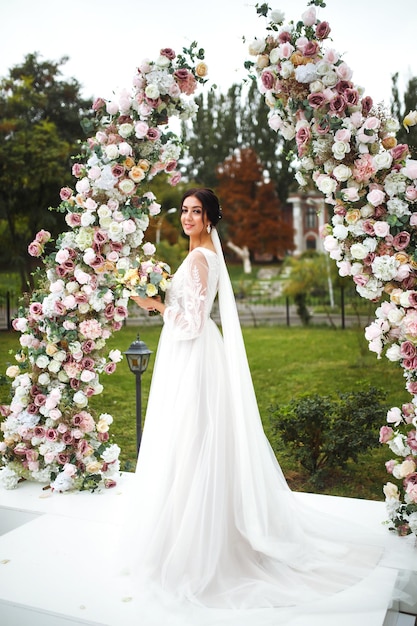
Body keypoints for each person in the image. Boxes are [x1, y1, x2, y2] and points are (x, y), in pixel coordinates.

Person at [119, 188, 390, 623]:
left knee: (194, 435)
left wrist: (154, 304)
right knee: (185, 436)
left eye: (196, 212)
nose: (188, 217)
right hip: (185, 354)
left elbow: (191, 322)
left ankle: (205, 538)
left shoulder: (204, 259)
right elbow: (186, 309)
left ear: (209, 219)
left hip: (193, 356)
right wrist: (160, 298)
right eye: (185, 210)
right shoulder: (198, 257)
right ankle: (179, 528)